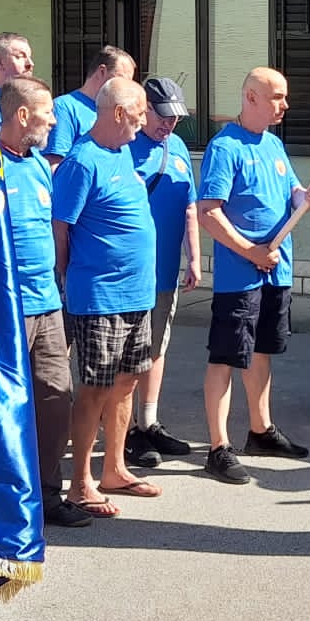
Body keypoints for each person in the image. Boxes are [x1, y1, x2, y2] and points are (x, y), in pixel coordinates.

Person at [197, 68, 310, 486]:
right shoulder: (225, 147)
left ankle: (260, 430)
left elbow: (292, 192)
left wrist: (307, 197)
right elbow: (209, 212)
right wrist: (250, 251)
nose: (284, 105)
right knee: (226, 356)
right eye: (277, 97)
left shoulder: (273, 144)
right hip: (240, 275)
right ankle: (218, 447)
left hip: (276, 269)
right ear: (251, 97)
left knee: (261, 351)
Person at [53, 76, 158, 517]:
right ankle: (81, 483)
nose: (144, 120)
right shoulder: (82, 161)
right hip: (100, 296)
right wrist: (67, 278)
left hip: (137, 294)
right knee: (94, 388)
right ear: (118, 112)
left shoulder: (122, 153)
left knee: (127, 381)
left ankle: (114, 468)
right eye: (139, 112)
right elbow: (61, 228)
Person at [0, 76, 89, 528]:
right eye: (47, 112)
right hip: (5, 310)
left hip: (48, 304)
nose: (53, 121)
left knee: (56, 398)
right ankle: (2, 501)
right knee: (4, 406)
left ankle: (48, 495)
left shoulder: (38, 164)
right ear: (22, 115)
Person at [125, 76, 201, 467]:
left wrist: (195, 257)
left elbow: (189, 205)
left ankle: (148, 423)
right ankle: (124, 432)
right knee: (126, 357)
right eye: (162, 116)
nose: (168, 124)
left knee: (156, 348)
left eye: (175, 118)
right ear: (144, 109)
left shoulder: (179, 148)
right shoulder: (123, 146)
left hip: (165, 269)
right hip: (128, 273)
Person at [45, 46, 136, 165]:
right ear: (102, 71)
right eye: (121, 80)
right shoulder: (64, 108)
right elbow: (54, 164)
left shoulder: (115, 110)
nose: (125, 87)